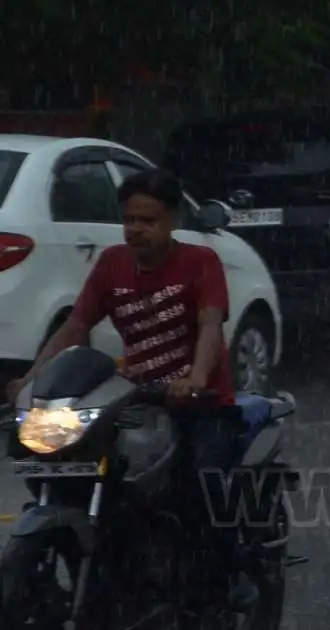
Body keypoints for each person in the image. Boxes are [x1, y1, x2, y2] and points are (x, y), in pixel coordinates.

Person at [4, 169, 257, 610]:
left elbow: (210, 324)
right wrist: (31, 379)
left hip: (199, 404)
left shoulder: (200, 262)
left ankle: (228, 577)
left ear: (173, 220)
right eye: (129, 220)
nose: (136, 229)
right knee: (66, 464)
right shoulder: (112, 264)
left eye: (148, 220)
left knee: (203, 484)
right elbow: (77, 325)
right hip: (134, 400)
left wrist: (195, 380)